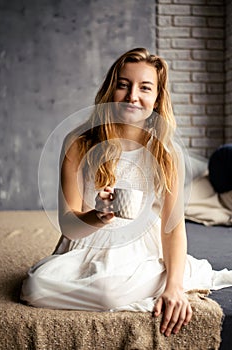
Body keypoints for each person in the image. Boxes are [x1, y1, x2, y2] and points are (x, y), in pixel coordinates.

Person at [21, 48, 232, 338]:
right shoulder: (79, 143)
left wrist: (173, 288)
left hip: (142, 247)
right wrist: (98, 215)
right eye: (124, 85)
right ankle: (149, 281)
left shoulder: (168, 153)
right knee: (35, 286)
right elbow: (68, 225)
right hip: (87, 244)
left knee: (108, 291)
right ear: (111, 89)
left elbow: (173, 229)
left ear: (157, 98)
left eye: (145, 88)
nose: (133, 96)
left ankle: (173, 276)